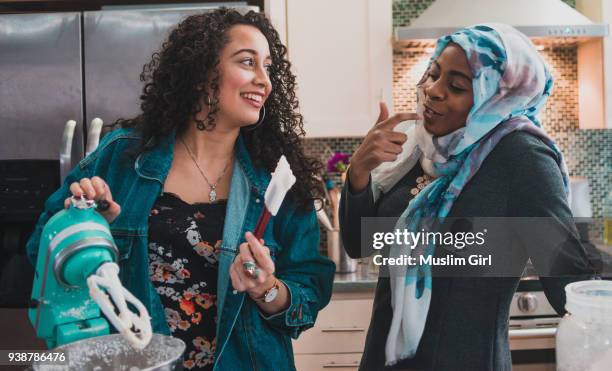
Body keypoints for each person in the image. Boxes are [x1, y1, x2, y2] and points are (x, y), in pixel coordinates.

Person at [26, 9, 335, 370]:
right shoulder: (122, 158)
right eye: (248, 62)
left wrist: (265, 288)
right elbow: (41, 252)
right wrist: (88, 226)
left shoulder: (277, 179)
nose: (264, 81)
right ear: (202, 72)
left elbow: (308, 292)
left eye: (268, 68)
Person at [340, 23, 597, 371]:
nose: (433, 90)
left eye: (457, 85)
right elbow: (360, 244)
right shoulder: (423, 148)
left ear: (497, 95)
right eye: (433, 74)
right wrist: (358, 172)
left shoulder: (523, 157)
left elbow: (568, 281)